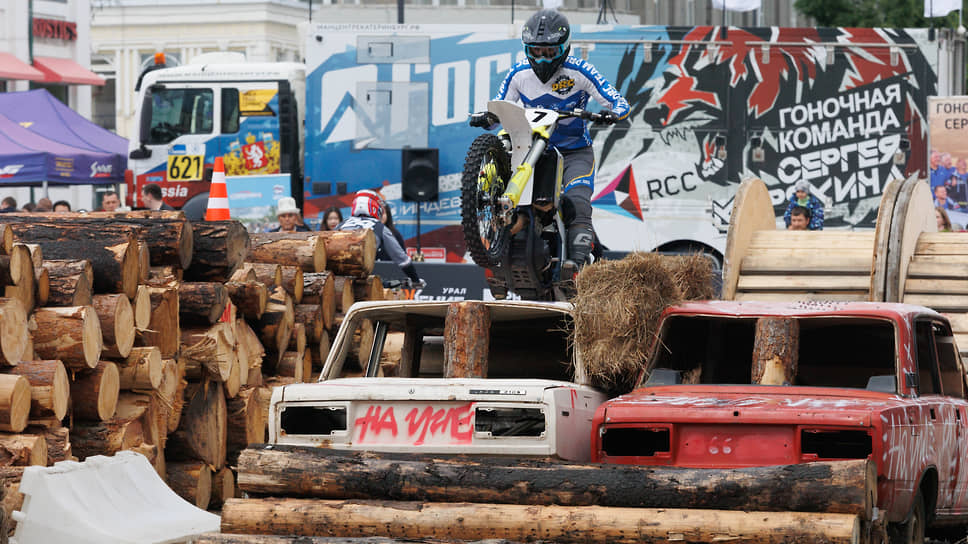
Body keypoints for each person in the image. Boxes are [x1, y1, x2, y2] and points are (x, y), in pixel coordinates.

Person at [470, 8, 629, 280]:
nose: (542, 58)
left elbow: (618, 101)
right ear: (526, 49)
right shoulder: (518, 74)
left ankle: (575, 266)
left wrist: (612, 113)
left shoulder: (581, 71)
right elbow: (501, 109)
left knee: (577, 200)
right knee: (510, 189)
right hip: (532, 150)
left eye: (550, 52)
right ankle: (499, 260)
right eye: (535, 51)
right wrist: (488, 118)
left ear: (564, 48)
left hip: (574, 151)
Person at [338, 190, 423, 287]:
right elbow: (401, 258)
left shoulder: (342, 224)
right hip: (363, 277)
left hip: (339, 277)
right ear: (375, 207)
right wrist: (415, 279)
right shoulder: (380, 227)